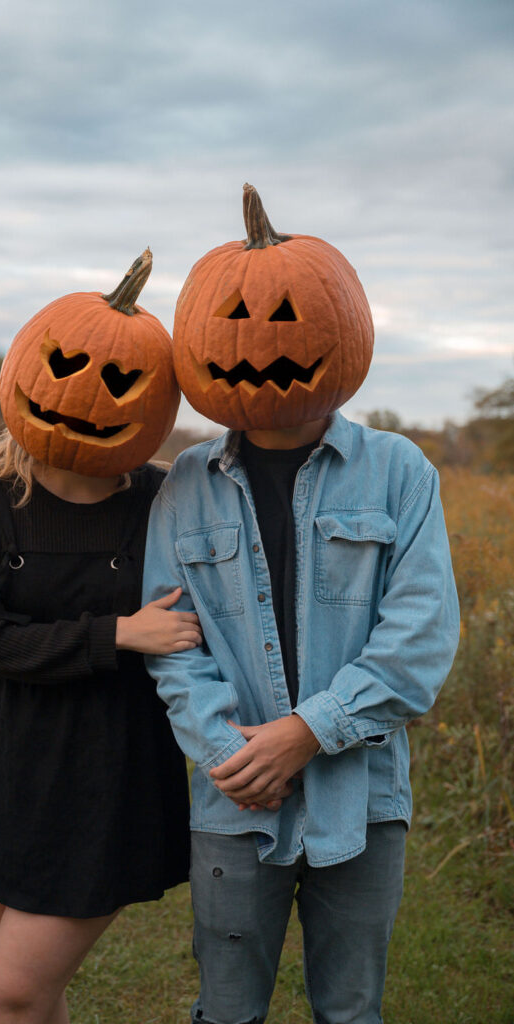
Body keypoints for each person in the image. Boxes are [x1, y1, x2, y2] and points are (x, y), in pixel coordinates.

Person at [142, 186, 460, 1024]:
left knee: (350, 1011)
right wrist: (231, 755)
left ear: (342, 325)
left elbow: (420, 636)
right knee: (227, 1009)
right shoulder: (183, 485)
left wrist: (308, 731)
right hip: (231, 796)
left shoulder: (398, 471)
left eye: (284, 316)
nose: (256, 342)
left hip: (360, 795)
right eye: (232, 321)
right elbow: (171, 640)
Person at [0, 251, 199, 1024]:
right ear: (29, 373)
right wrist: (120, 632)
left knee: (12, 993)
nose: (91, 396)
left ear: (153, 402)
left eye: (120, 383)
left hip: (110, 763)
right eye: (69, 370)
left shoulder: (163, 497)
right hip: (7, 757)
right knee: (27, 991)